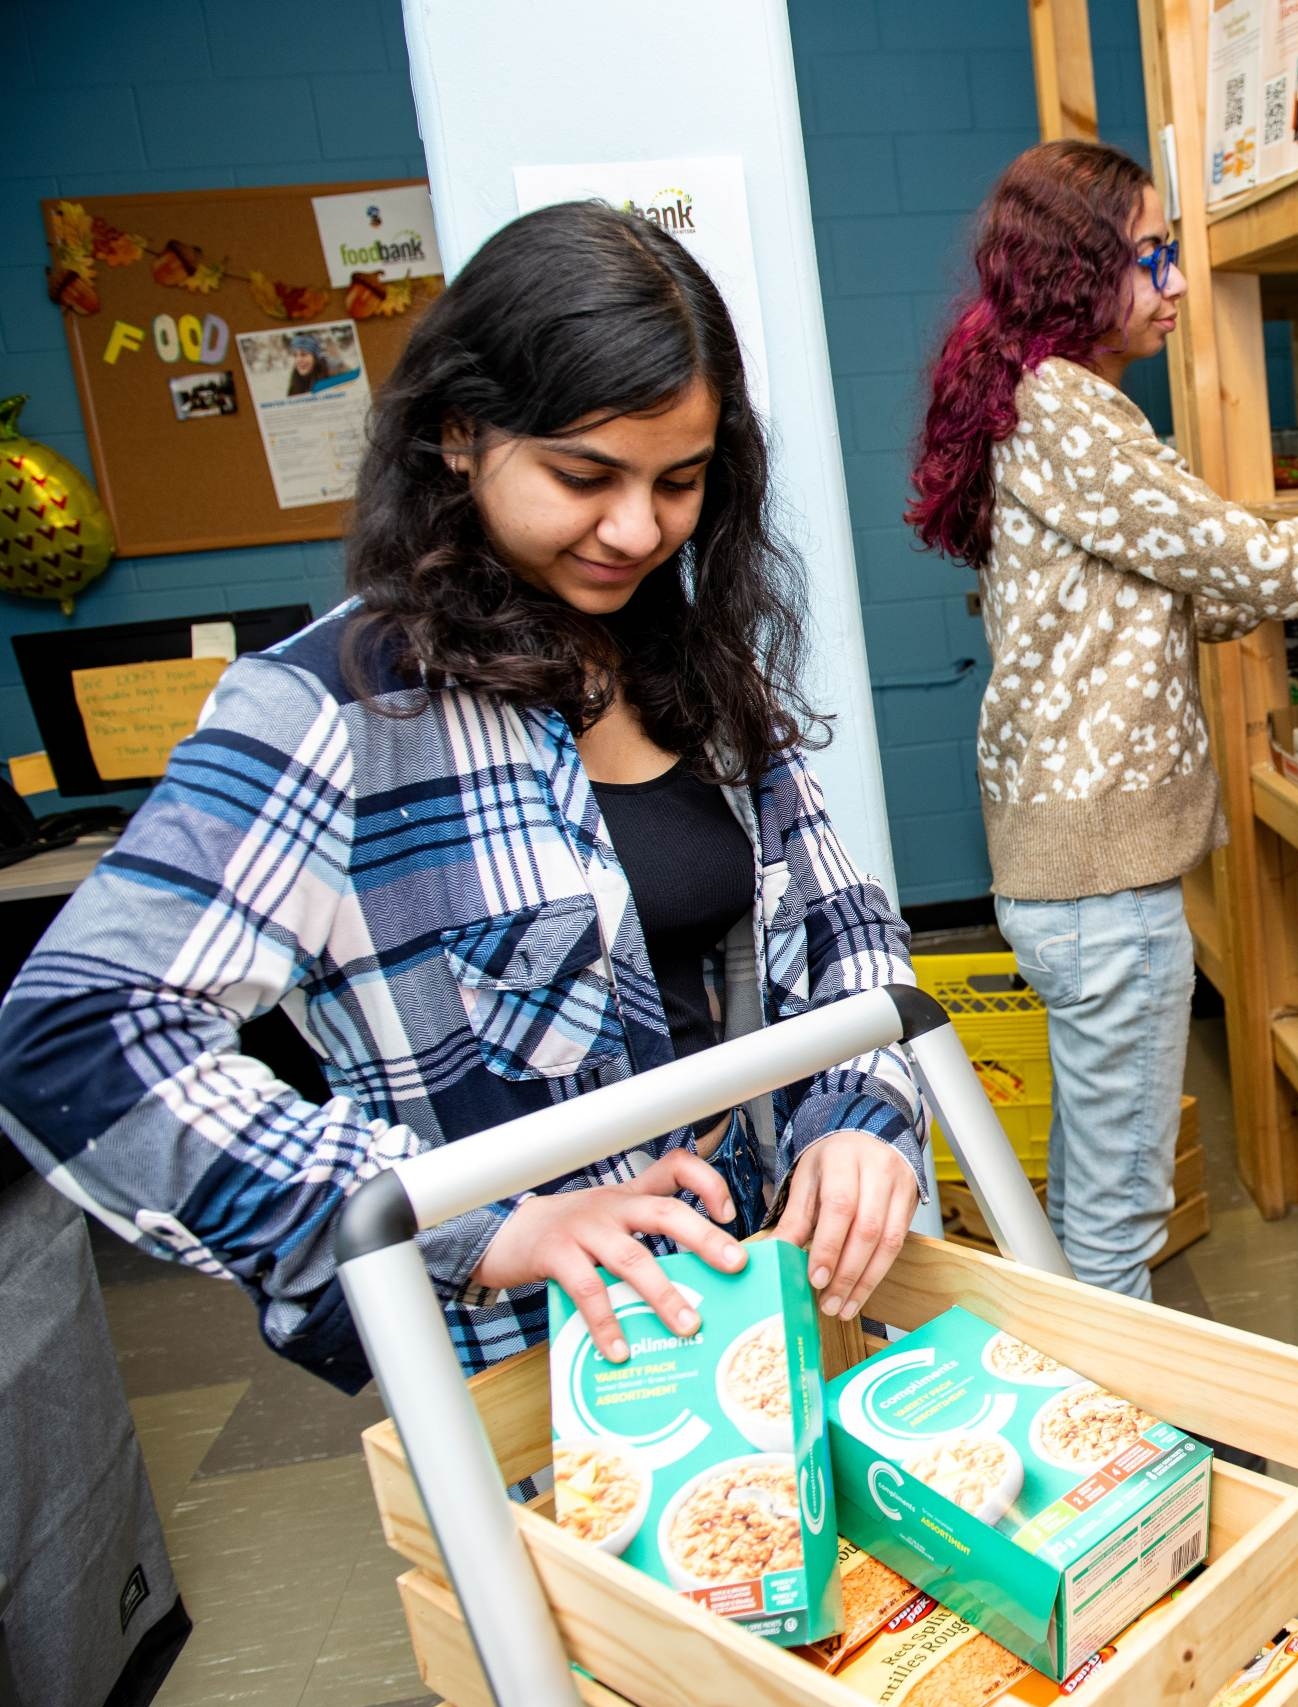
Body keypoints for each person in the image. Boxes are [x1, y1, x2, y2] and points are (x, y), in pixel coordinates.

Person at [0, 201, 927, 1390]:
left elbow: (846, 931)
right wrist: (480, 1224)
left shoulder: (693, 664)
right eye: (582, 476)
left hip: (768, 1309)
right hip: (544, 1371)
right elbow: (77, 1035)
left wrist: (859, 1112)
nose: (637, 529)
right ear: (457, 436)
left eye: (680, 483)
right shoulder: (332, 712)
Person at [907, 141, 1298, 1298]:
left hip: (1077, 873)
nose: (1172, 283)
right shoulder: (1071, 409)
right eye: (1150, 255)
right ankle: (1119, 1449)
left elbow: (1187, 593)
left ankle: (1088, 1416)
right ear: (1077, 269)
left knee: (1092, 1194)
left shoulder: (1047, 399)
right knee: (1119, 1222)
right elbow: (1256, 577)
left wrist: (1286, 541)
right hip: (1099, 887)